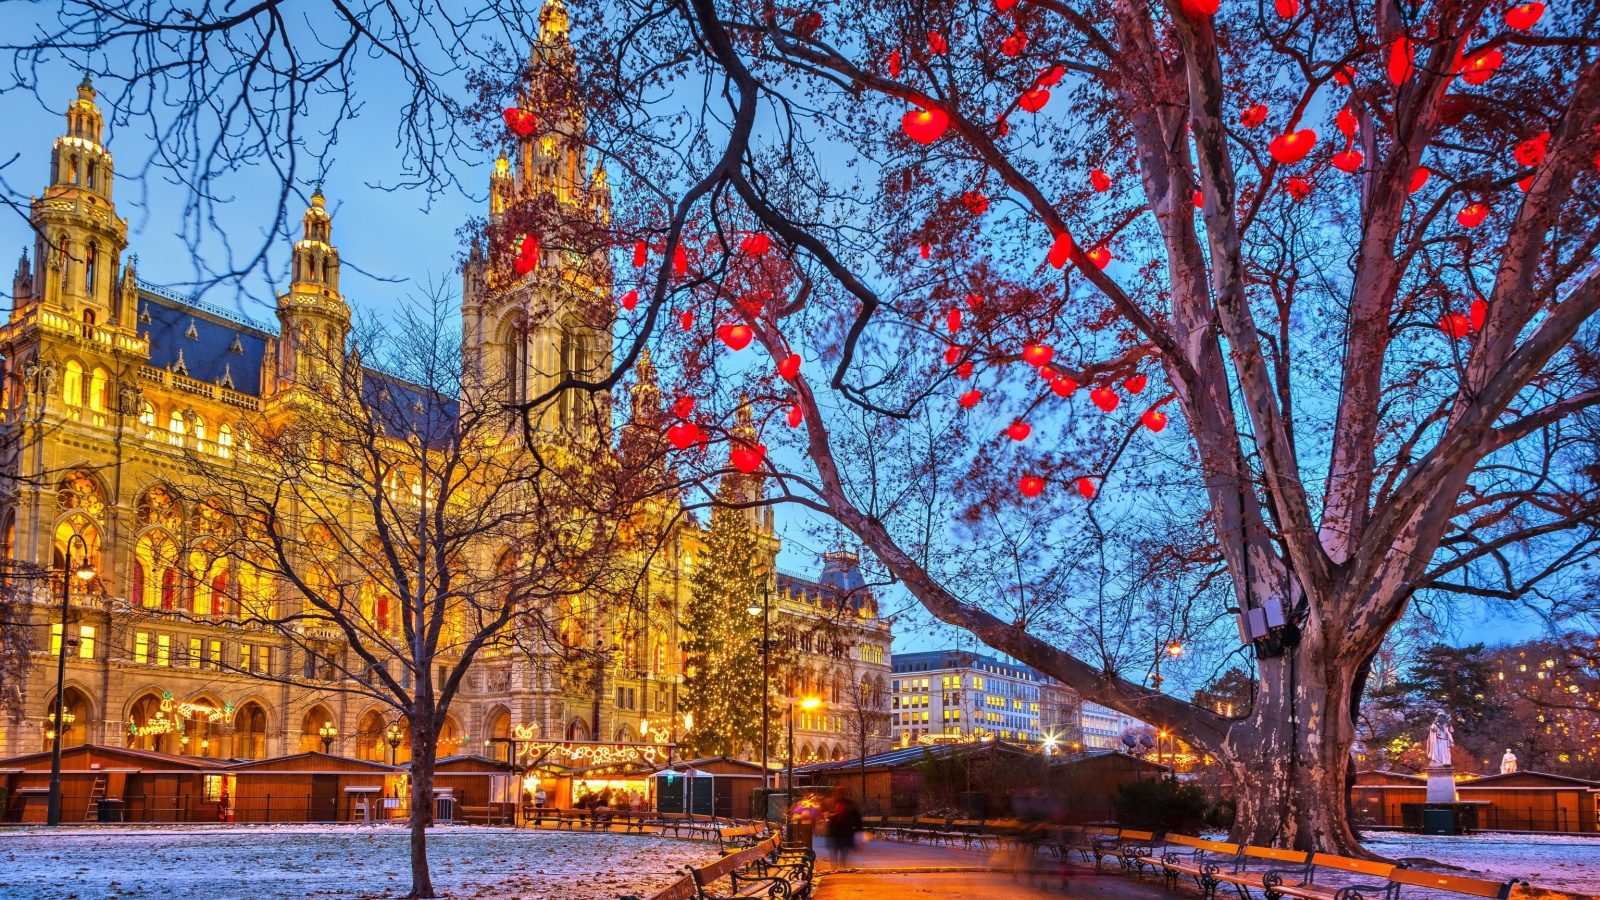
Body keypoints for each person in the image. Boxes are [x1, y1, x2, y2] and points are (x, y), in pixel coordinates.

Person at [824, 786, 863, 870]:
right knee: (835, 849)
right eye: (839, 792)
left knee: (844, 849)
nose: (840, 794)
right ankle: (835, 867)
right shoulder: (832, 802)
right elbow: (825, 812)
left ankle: (842, 866)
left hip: (846, 830)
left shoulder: (849, 803)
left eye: (842, 792)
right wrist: (828, 815)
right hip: (835, 830)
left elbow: (856, 817)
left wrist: (859, 830)